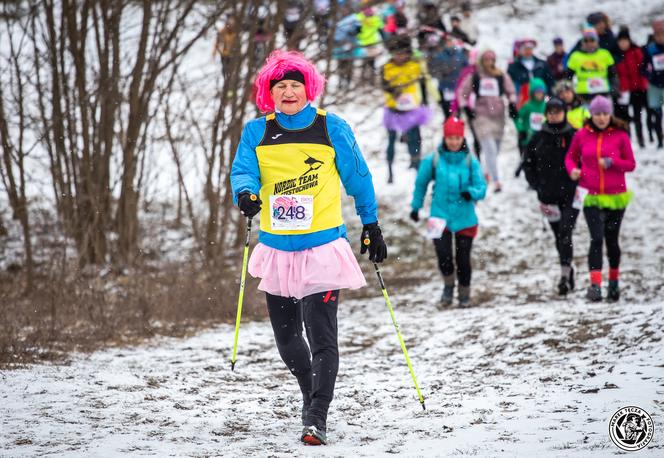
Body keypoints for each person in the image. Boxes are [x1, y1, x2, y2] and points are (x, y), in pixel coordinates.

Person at [230, 50, 387, 446]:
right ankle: (308, 390)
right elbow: (243, 169)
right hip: (278, 250)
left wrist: (371, 223)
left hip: (322, 248)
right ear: (269, 93)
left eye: (294, 85)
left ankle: (317, 415)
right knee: (286, 340)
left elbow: (358, 177)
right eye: (279, 86)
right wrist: (245, 193)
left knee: (321, 336)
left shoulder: (330, 127)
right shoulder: (257, 131)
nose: (287, 91)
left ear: (308, 89)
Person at [410, 116, 487, 307]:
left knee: (463, 259)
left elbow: (481, 186)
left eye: (457, 138)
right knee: (443, 256)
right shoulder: (433, 160)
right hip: (439, 215)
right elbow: (421, 183)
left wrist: (472, 193)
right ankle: (448, 287)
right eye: (450, 138)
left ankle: (464, 293)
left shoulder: (470, 161)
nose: (453, 142)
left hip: (465, 216)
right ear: (444, 138)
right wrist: (415, 206)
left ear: (462, 139)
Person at [565, 96, 636, 302]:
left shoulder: (620, 135)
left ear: (610, 114)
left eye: (605, 113)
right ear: (592, 115)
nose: (602, 118)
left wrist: (613, 162)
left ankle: (613, 283)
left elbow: (631, 164)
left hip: (615, 196)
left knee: (612, 240)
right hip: (590, 195)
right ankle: (595, 285)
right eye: (598, 114)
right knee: (596, 238)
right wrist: (573, 171)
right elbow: (570, 157)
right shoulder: (581, 135)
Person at [523, 97, 579, 295]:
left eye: (558, 111)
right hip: (547, 195)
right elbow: (527, 162)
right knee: (559, 235)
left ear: (564, 112)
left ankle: (564, 275)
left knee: (566, 231)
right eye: (551, 112)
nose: (554, 115)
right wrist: (536, 184)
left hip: (572, 195)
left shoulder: (574, 135)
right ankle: (567, 269)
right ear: (546, 114)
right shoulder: (538, 137)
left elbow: (584, 159)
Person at [458, 49, 517, 193]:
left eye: (491, 60)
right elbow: (462, 92)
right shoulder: (475, 77)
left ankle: (486, 171)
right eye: (486, 60)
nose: (489, 63)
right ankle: (496, 180)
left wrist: (513, 103)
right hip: (481, 115)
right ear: (481, 61)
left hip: (498, 116)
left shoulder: (501, 76)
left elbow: (511, 91)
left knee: (495, 149)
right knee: (489, 148)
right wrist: (465, 107)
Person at [381, 36, 432, 182]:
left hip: (412, 109)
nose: (400, 56)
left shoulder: (415, 66)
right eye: (397, 53)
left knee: (415, 139)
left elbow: (422, 83)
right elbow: (383, 84)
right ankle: (390, 170)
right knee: (391, 140)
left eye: (403, 53)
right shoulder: (387, 67)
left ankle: (416, 166)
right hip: (393, 109)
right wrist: (394, 91)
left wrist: (425, 102)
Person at [614, 26, 649, 148]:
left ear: (629, 41)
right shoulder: (616, 56)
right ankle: (626, 140)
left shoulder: (636, 52)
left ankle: (641, 140)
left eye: (625, 41)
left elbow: (642, 69)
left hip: (637, 89)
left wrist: (643, 85)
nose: (623, 44)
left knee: (638, 116)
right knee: (624, 118)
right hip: (623, 90)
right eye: (620, 41)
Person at [565, 25, 617, 102]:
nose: (589, 43)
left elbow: (612, 75)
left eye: (592, 40)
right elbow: (568, 77)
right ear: (582, 42)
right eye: (586, 40)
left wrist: (614, 88)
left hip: (603, 93)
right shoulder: (575, 56)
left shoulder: (605, 54)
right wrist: (572, 92)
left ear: (597, 41)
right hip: (583, 95)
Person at [428, 33, 468, 118]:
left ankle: (457, 128)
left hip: (458, 87)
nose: (450, 43)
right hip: (444, 87)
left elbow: (466, 69)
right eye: (448, 41)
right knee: (447, 112)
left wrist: (463, 78)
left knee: (457, 112)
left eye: (452, 41)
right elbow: (433, 70)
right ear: (445, 43)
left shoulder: (460, 55)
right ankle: (449, 128)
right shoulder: (440, 56)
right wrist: (441, 74)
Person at [515, 78, 547, 176]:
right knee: (528, 158)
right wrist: (521, 130)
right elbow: (517, 118)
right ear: (532, 93)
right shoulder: (527, 106)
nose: (539, 95)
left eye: (541, 93)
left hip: (542, 138)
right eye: (537, 93)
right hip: (528, 138)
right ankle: (526, 171)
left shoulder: (546, 106)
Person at [507, 39, 554, 106]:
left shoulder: (542, 65)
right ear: (521, 50)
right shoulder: (514, 66)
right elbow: (510, 85)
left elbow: (550, 82)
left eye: (530, 49)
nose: (528, 51)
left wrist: (548, 98)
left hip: (541, 100)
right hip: (522, 101)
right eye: (526, 49)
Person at [642, 20, 664, 149]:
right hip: (655, 86)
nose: (660, 36)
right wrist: (649, 75)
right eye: (658, 34)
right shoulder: (650, 49)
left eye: (662, 33)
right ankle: (659, 139)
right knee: (656, 114)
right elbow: (642, 67)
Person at [356, 7, 384, 81]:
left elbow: (380, 25)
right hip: (365, 42)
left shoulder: (371, 18)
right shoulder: (362, 17)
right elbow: (381, 25)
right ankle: (367, 78)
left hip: (368, 42)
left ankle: (368, 78)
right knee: (368, 61)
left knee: (369, 61)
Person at [213, 17, 237, 81]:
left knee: (230, 68)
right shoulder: (222, 32)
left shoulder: (234, 34)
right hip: (224, 54)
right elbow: (217, 44)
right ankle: (226, 79)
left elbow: (235, 44)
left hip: (230, 54)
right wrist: (215, 53)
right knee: (224, 67)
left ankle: (228, 79)